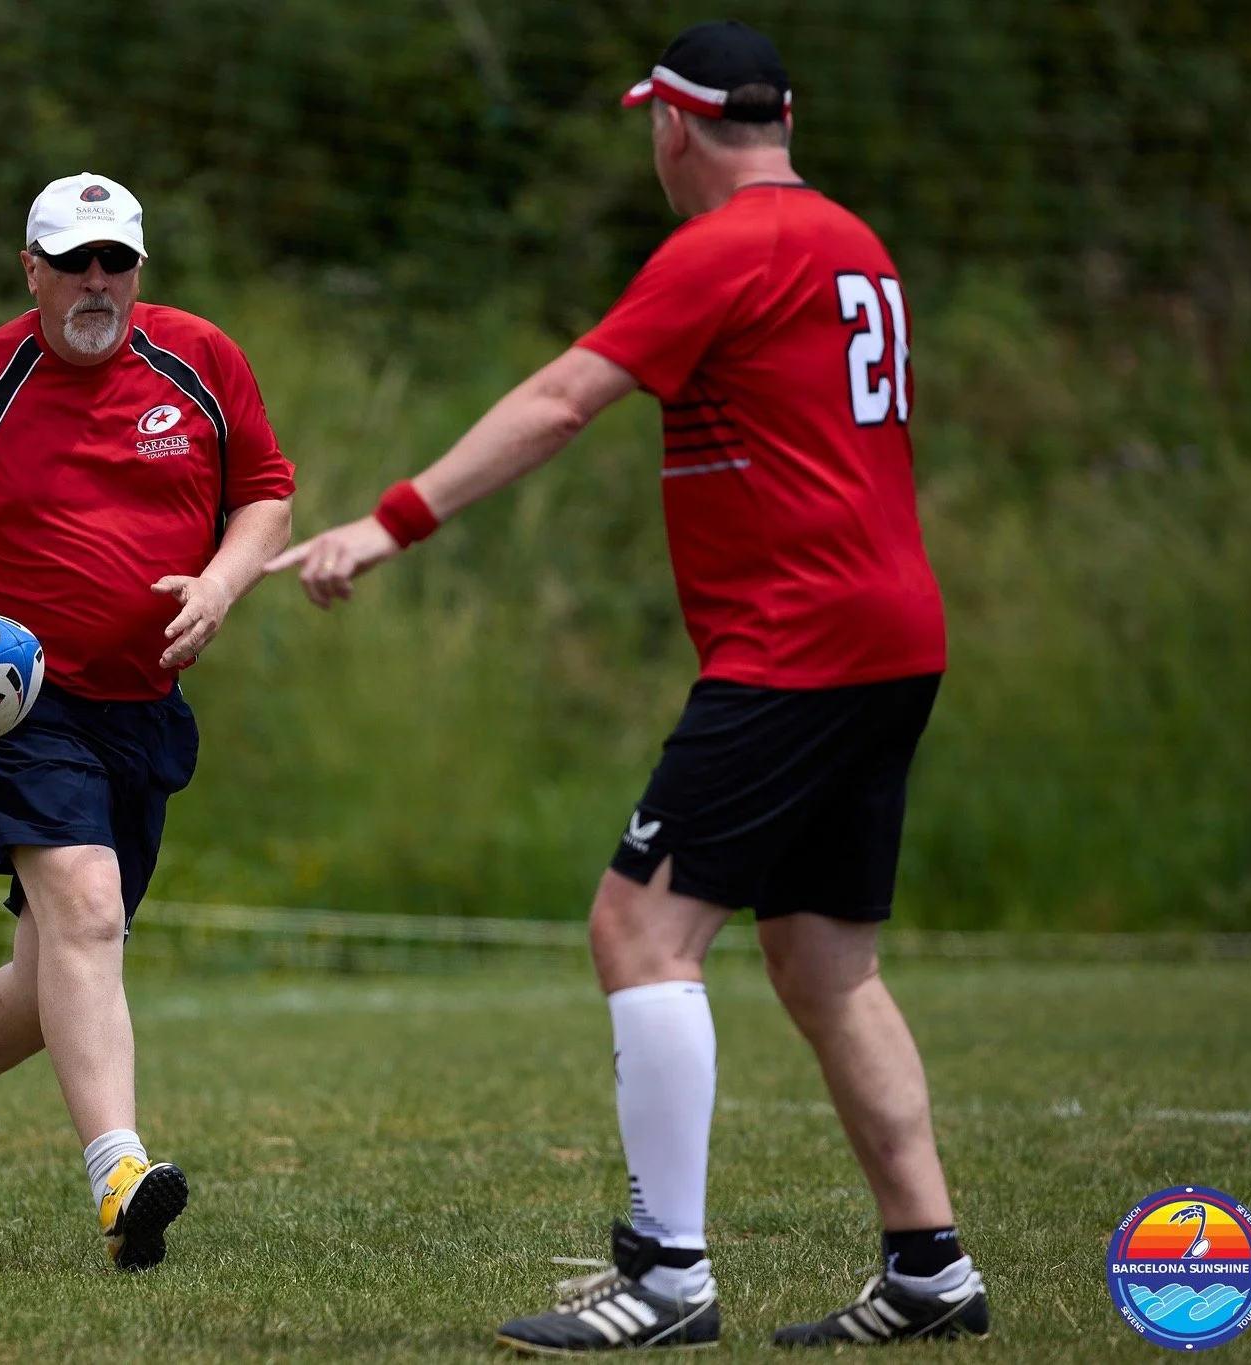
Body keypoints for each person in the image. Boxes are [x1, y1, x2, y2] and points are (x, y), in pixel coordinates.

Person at [266, 21, 988, 1353]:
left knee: (640, 931)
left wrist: (390, 521)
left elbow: (559, 398)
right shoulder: (853, 240)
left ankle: (665, 1274)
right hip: (893, 637)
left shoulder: (724, 247)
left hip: (796, 643)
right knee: (824, 960)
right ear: (786, 115)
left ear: (674, 123)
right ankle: (929, 1264)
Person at [0, 171, 295, 1270]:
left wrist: (221, 585)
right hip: (14, 701)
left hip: (145, 705)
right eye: (72, 261)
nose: (95, 282)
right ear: (28, 269)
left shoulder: (201, 362)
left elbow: (264, 490)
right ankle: (120, 1174)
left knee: (58, 974)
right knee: (85, 912)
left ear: (138, 269)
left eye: (114, 261)